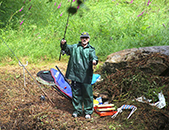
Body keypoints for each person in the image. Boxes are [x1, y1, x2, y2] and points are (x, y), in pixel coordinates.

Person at [60, 32, 98, 119]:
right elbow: (66, 48)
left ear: (88, 39)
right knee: (76, 93)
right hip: (75, 74)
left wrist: (94, 61)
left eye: (86, 38)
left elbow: (94, 56)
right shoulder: (74, 47)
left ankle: (88, 111)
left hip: (86, 75)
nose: (84, 39)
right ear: (81, 39)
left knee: (87, 94)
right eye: (83, 38)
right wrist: (63, 43)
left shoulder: (91, 49)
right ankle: (77, 111)